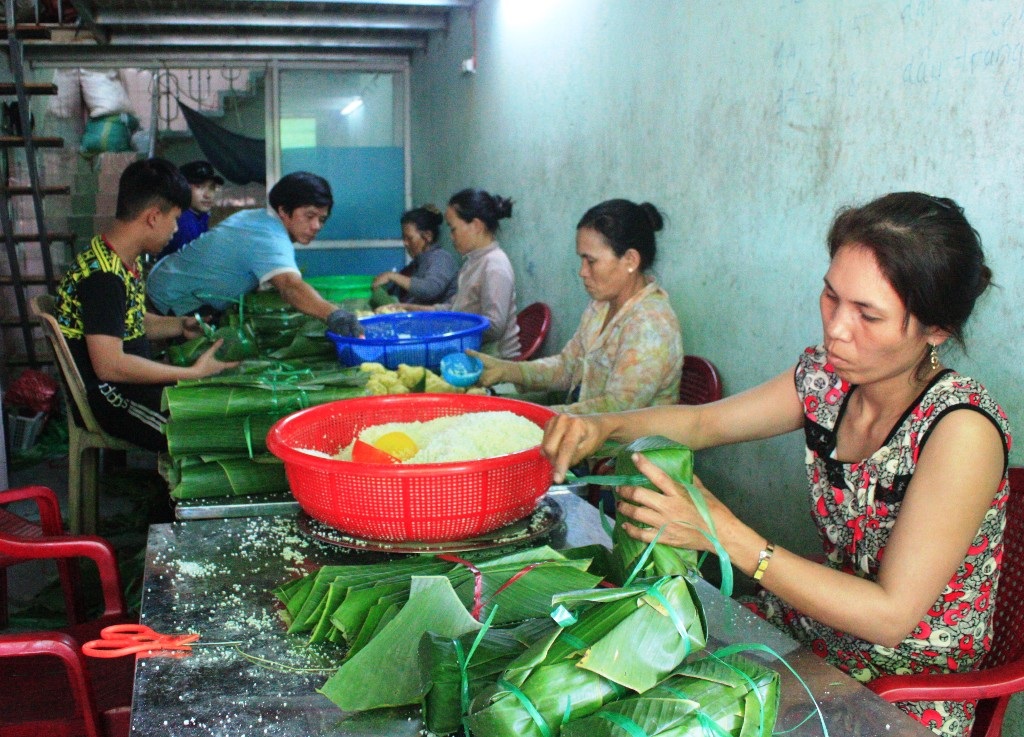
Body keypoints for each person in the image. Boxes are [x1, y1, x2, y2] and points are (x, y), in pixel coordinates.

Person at [542, 192, 1011, 737]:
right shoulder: (828, 380)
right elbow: (704, 423)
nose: (837, 329)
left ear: (936, 330)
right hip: (817, 630)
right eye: (831, 296)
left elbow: (890, 616)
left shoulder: (960, 431)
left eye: (868, 314)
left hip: (902, 682)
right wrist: (605, 426)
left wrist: (724, 534)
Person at [54, 158, 238, 452]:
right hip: (112, 397)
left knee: (219, 411)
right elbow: (110, 366)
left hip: (131, 385)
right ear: (153, 217)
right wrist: (192, 373)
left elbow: (128, 321)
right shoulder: (103, 276)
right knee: (209, 437)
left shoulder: (120, 258)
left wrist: (180, 325)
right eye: (175, 219)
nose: (176, 229)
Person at [468, 199, 683, 413]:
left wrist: (534, 416)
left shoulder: (651, 325)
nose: (582, 272)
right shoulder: (601, 306)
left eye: (591, 261)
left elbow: (615, 410)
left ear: (630, 260)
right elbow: (568, 366)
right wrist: (508, 370)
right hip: (583, 425)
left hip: (620, 435)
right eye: (582, 260)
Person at [146, 171, 361, 336]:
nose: (316, 226)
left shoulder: (257, 219)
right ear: (283, 210)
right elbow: (290, 286)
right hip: (171, 299)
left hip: (169, 284)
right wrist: (334, 315)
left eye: (322, 219)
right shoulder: (269, 234)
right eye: (309, 216)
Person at [384, 189, 520, 358]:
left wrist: (449, 330)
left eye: (453, 229)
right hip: (471, 349)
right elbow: (454, 308)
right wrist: (409, 309)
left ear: (476, 226)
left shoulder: (494, 265)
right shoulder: (472, 262)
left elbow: (494, 328)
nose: (450, 236)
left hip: (495, 358)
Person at [371, 205, 458, 305]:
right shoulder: (417, 263)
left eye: (409, 238)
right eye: (404, 238)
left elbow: (430, 289)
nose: (405, 243)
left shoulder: (442, 258)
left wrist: (392, 276)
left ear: (428, 236)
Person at [157, 160, 223, 259]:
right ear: (182, 187)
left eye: (211, 187)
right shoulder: (184, 221)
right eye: (199, 187)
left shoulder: (198, 215)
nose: (207, 195)